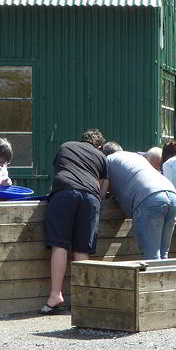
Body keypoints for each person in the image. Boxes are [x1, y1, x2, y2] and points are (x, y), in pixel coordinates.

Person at [42, 129, 109, 314]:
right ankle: (82, 300)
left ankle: (55, 296)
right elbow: (103, 191)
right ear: (99, 146)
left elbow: (60, 170)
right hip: (90, 198)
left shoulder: (66, 146)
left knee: (60, 245)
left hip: (65, 193)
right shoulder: (101, 156)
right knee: (82, 249)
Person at [103, 142, 176, 260]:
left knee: (151, 255)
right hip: (172, 195)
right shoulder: (136, 157)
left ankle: (154, 279)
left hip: (149, 198)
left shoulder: (107, 161)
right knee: (164, 254)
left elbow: (103, 190)